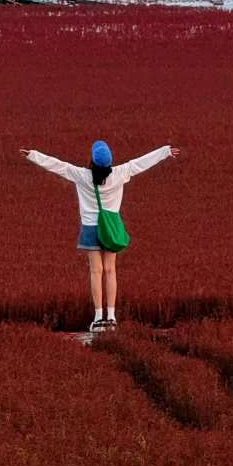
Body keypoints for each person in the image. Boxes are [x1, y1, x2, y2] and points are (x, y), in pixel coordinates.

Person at [18, 140, 181, 332]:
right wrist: (164, 151)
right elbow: (141, 163)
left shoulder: (81, 175)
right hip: (111, 229)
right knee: (110, 271)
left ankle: (98, 318)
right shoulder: (120, 173)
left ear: (93, 160)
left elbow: (58, 166)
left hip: (90, 229)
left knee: (96, 272)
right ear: (109, 161)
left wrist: (33, 155)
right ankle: (111, 317)